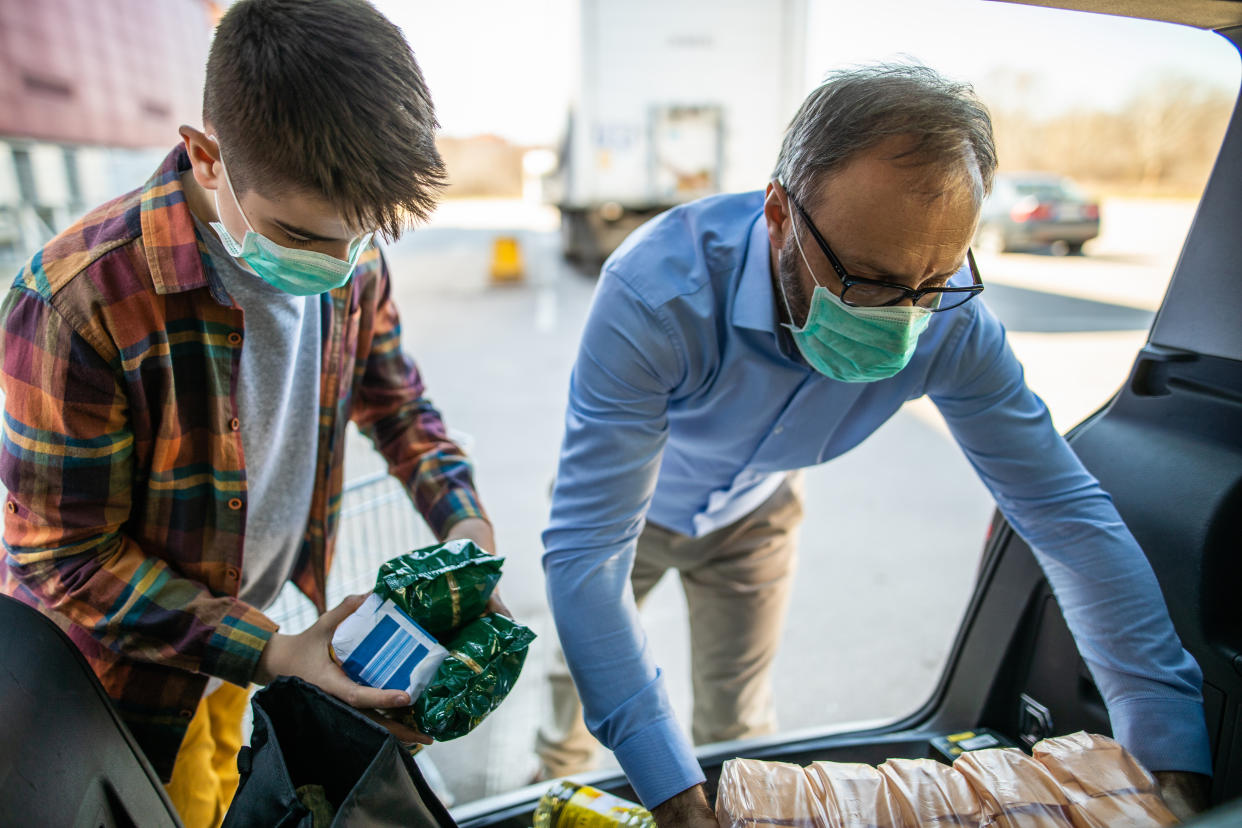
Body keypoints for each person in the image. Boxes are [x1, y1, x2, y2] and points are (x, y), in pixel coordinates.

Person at [537, 64, 1210, 826]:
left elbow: (1062, 510)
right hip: (641, 508)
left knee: (737, 726)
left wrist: (1170, 752)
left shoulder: (951, 323)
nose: (905, 318)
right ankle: (548, 779)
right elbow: (589, 550)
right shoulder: (657, 295)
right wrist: (666, 790)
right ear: (779, 215)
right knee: (577, 693)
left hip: (755, 518)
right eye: (870, 282)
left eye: (936, 280)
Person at [0, 1, 500, 826]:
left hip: (242, 640)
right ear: (206, 158)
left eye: (362, 239)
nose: (338, 268)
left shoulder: (348, 258)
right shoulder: (79, 304)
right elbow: (66, 557)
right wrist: (274, 653)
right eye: (301, 236)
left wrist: (465, 525)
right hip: (118, 679)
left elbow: (396, 397)